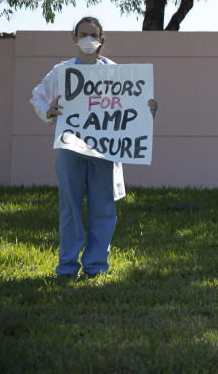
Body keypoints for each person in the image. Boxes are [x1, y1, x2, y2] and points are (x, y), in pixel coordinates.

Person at [30, 17, 158, 279]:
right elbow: (38, 97)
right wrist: (48, 112)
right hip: (70, 149)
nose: (88, 39)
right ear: (74, 37)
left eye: (93, 34)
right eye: (84, 33)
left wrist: (146, 113)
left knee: (103, 208)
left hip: (104, 152)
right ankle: (67, 268)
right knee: (70, 207)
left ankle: (96, 267)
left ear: (102, 39)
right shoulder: (61, 72)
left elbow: (130, 111)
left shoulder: (116, 73)